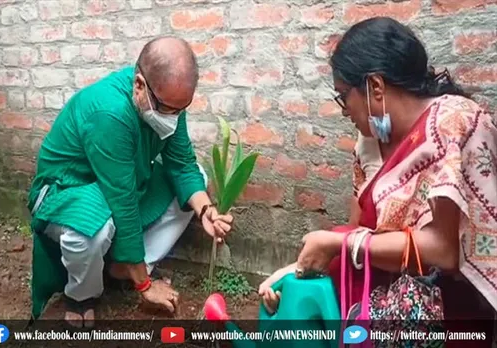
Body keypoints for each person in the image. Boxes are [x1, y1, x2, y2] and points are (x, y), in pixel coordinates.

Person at [259, 16, 496, 345]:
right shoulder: (370, 144)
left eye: (344, 96)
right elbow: (357, 234)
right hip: (380, 289)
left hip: (441, 312)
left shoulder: (453, 123)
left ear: (375, 88)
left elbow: (444, 251)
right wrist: (296, 272)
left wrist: (336, 245)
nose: (345, 112)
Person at [27, 35, 234, 328]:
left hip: (114, 184)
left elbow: (182, 164)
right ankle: (82, 296)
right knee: (92, 227)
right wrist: (146, 288)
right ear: (139, 85)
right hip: (65, 191)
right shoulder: (109, 114)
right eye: (168, 109)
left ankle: (124, 267)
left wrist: (205, 210)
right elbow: (122, 203)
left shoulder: (167, 100)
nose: (174, 117)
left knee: (195, 182)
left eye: (181, 109)